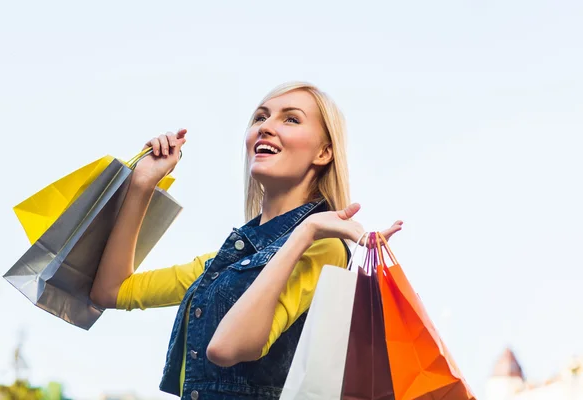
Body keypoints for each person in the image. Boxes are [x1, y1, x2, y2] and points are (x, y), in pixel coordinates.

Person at [90, 82, 403, 399]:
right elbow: (111, 291)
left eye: (290, 119)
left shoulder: (322, 247)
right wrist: (143, 185)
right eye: (260, 118)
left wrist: (305, 232)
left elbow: (227, 348)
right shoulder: (226, 263)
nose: (266, 127)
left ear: (324, 152)